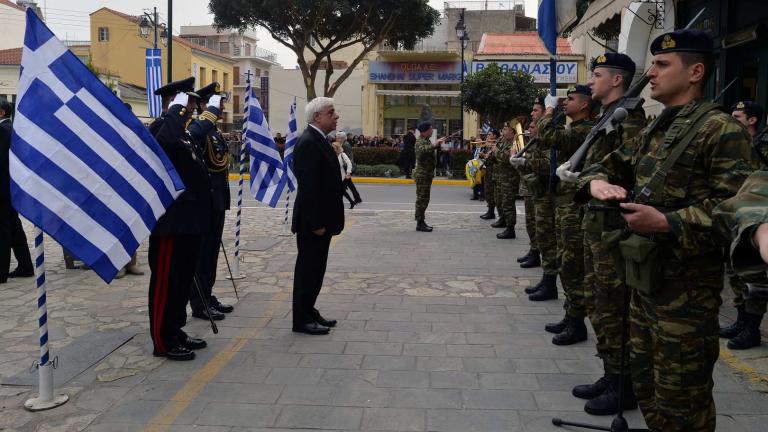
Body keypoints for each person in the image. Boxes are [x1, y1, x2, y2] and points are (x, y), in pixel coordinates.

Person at [578, 29, 753, 431]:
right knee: (649, 393)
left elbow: (738, 210)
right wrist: (596, 182)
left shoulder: (720, 130)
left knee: (682, 405)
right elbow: (607, 162)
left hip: (686, 299)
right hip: (645, 287)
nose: (651, 73)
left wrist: (668, 221)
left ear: (695, 72)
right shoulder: (658, 129)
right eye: (652, 63)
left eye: (661, 65)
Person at [569, 52, 645, 416]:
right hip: (597, 225)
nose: (591, 81)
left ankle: (623, 384)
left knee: (614, 308)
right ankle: (610, 373)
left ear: (617, 80)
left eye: (597, 74)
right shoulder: (607, 119)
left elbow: (627, 174)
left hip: (615, 229)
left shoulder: (629, 121)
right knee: (600, 306)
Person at [147, 77, 211, 361]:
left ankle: (175, 329)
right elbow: (165, 142)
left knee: (183, 281)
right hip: (170, 225)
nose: (194, 107)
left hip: (188, 221)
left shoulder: (183, 133)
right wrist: (174, 110)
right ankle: (162, 339)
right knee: (167, 282)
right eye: (190, 102)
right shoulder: (163, 127)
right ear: (174, 102)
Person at [537, 85, 595, 345]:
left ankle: (576, 322)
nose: (565, 103)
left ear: (584, 105)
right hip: (565, 203)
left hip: (574, 205)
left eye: (570, 100)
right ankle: (571, 315)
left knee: (572, 263)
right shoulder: (576, 128)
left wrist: (549, 109)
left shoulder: (584, 130)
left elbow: (548, 135)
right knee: (565, 260)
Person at [291, 97, 344, 335]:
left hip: (323, 221)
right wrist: (315, 223)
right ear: (317, 117)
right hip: (314, 223)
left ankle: (310, 311)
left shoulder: (319, 140)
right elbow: (308, 187)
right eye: (331, 113)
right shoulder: (309, 142)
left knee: (316, 270)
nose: (336, 116)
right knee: (308, 271)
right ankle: (301, 319)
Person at [719, 100, 767, 349]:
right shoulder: (733, 145)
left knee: (756, 277)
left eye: (737, 117)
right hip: (735, 213)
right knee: (734, 271)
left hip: (758, 219)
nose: (732, 120)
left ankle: (751, 329)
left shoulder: (763, 146)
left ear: (752, 120)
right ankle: (740, 321)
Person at [188, 82, 235, 322]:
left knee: (212, 253)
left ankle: (208, 293)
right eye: (217, 102)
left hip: (217, 200)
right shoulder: (198, 130)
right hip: (205, 202)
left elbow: (221, 163)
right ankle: (199, 301)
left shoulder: (214, 132)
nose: (222, 106)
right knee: (203, 255)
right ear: (205, 105)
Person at [1, 98, 33, 284]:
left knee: (3, 230)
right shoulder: (11, 129)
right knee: (14, 227)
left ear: (1, 113)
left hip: (2, 189)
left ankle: (1, 271)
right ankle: (25, 265)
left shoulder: (2, 130)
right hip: (10, 188)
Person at [514, 121, 541, 268]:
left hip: (534, 190)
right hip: (527, 189)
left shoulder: (539, 145)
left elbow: (533, 168)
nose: (528, 130)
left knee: (536, 225)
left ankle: (536, 253)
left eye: (531, 127)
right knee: (530, 224)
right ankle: (533, 250)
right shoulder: (530, 144)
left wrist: (521, 164)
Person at [414, 122, 445, 232]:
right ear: (424, 131)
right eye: (430, 129)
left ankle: (421, 221)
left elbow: (429, 150)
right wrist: (434, 145)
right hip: (422, 175)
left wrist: (437, 145)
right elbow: (421, 151)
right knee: (422, 199)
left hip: (427, 174)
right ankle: (420, 223)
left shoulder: (426, 141)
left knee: (425, 199)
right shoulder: (420, 142)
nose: (432, 131)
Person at [493, 124, 520, 239]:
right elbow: (497, 159)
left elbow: (505, 158)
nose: (502, 131)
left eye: (505, 129)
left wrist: (496, 151)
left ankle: (510, 229)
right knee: (502, 202)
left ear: (512, 132)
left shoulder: (514, 144)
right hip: (502, 178)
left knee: (508, 204)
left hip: (509, 179)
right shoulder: (503, 142)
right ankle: (503, 220)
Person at [479, 130, 499, 221]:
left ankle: (492, 212)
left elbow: (495, 159)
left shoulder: (496, 144)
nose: (488, 136)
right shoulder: (488, 144)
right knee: (487, 192)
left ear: (495, 136)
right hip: (488, 171)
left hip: (494, 172)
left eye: (490, 134)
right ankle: (490, 211)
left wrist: (485, 155)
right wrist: (482, 155)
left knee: (492, 193)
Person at [338, 132, 362, 204]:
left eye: (338, 137)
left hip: (346, 168)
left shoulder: (345, 145)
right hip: (346, 168)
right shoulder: (345, 144)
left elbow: (349, 157)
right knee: (349, 184)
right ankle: (357, 198)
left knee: (343, 186)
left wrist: (348, 168)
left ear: (342, 138)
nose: (337, 139)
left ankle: (354, 200)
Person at [333, 141, 356, 209]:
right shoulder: (333, 155)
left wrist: (348, 173)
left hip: (342, 176)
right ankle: (351, 202)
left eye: (333, 147)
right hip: (335, 176)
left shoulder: (342, 155)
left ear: (337, 148)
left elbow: (349, 163)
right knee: (341, 191)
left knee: (341, 191)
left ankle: (350, 202)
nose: (332, 148)